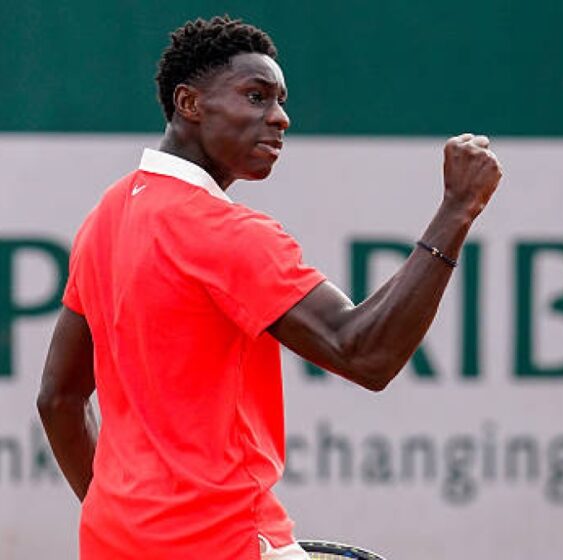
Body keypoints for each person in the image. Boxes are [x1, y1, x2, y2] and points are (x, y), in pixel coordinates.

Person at [37, 15, 503, 560]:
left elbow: (58, 400)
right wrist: (457, 210)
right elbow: (365, 354)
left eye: (280, 101)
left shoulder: (106, 216)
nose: (280, 117)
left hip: (114, 542)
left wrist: (135, 523)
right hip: (226, 542)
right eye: (256, 96)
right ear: (189, 103)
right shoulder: (226, 232)